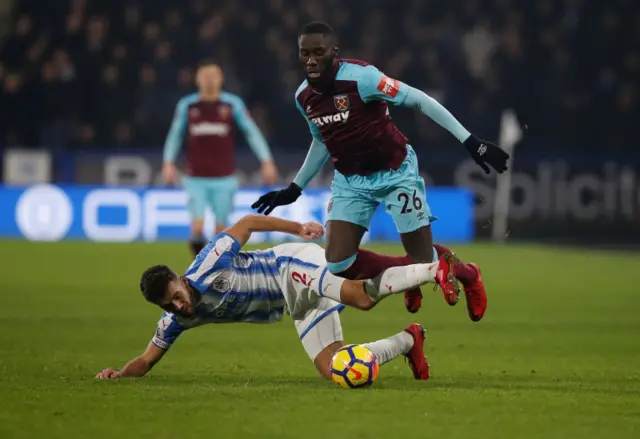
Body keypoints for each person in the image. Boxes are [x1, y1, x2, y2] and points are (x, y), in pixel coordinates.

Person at [252, 21, 509, 321]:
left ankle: (466, 273)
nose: (310, 60)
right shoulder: (303, 97)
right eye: (304, 53)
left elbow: (419, 100)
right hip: (350, 181)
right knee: (338, 262)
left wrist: (470, 141)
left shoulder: (363, 78)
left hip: (395, 172)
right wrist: (294, 188)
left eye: (318, 52)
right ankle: (411, 274)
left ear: (334, 53)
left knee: (423, 259)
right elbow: (322, 140)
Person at [95, 214, 461, 381]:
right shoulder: (177, 320)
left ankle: (433, 269)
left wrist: (298, 228)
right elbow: (147, 360)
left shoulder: (208, 261)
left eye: (176, 296)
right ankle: (409, 339)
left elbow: (248, 223)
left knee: (360, 298)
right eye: (169, 306)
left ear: (179, 278)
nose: (179, 306)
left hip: (290, 265)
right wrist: (119, 374)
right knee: (334, 370)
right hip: (294, 302)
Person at [163, 59, 279, 257]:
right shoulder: (188, 105)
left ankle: (212, 268)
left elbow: (252, 132)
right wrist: (168, 162)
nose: (209, 80)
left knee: (220, 230)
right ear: (198, 79)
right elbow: (175, 134)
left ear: (220, 79)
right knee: (197, 227)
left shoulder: (232, 104)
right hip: (195, 178)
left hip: (225, 178)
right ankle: (198, 264)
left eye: (213, 76)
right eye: (205, 76)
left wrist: (266, 160)